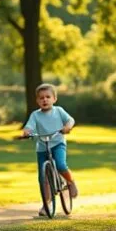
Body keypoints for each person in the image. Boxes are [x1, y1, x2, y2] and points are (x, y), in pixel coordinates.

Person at [22, 83, 78, 216]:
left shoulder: (59, 111)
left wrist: (67, 127)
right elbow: (29, 127)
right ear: (37, 101)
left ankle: (70, 182)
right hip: (42, 147)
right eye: (41, 98)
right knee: (43, 178)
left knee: (61, 165)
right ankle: (46, 203)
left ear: (54, 99)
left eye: (48, 97)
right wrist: (27, 132)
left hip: (58, 143)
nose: (45, 100)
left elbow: (70, 120)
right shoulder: (35, 115)